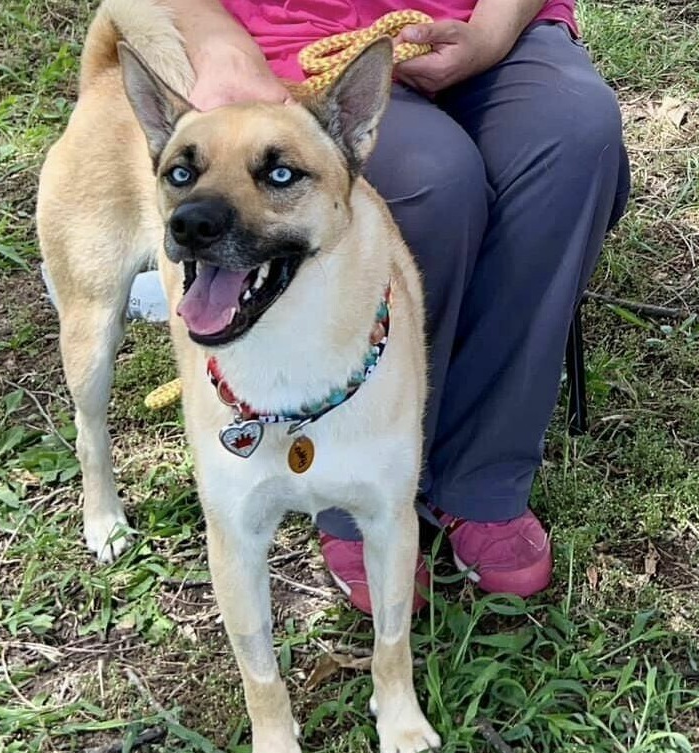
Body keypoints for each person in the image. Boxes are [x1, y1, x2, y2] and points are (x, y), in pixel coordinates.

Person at [162, 0, 631, 614]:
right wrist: (215, 37)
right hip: (295, 43)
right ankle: (355, 490)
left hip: (487, 23)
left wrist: (491, 34)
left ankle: (483, 475)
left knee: (575, 137)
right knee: (432, 181)